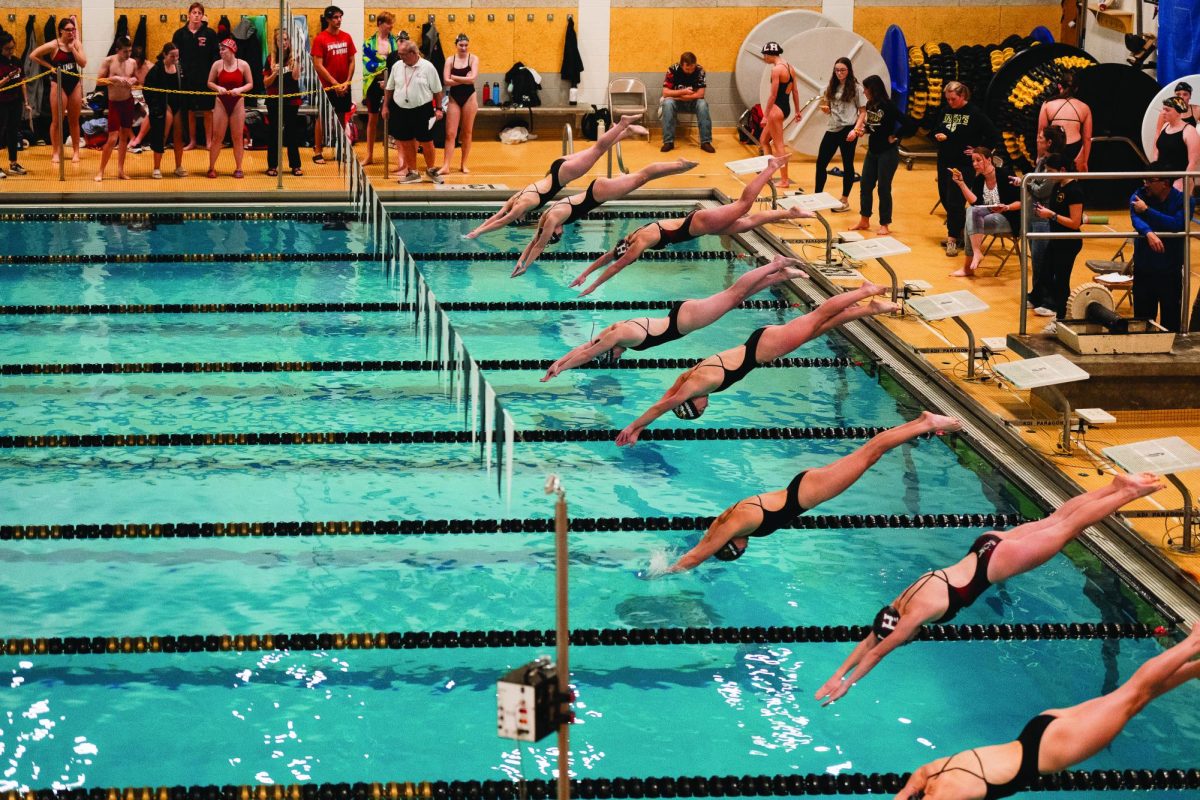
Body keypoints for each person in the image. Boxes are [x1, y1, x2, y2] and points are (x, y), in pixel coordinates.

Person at [816, 472, 1164, 707]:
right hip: (984, 545)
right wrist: (836, 673)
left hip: (997, 563)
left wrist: (847, 685)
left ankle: (1128, 493)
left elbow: (877, 651)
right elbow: (870, 641)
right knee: (1056, 520)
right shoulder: (900, 602)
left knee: (1068, 527)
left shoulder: (915, 616)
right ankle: (1116, 486)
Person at [892, 620, 1200, 800]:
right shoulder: (928, 773)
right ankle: (1196, 667)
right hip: (1038, 730)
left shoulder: (947, 796)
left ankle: (1194, 642)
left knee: (1134, 693)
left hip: (1054, 750)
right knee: (1133, 698)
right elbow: (903, 794)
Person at [660, 413, 962, 570]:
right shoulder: (724, 522)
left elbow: (698, 556)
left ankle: (927, 424)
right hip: (802, 487)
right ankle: (921, 422)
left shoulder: (739, 524)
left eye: (741, 550)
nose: (746, 547)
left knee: (871, 453)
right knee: (869, 452)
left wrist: (667, 571)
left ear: (734, 546)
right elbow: (706, 541)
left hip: (808, 493)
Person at [614, 281, 899, 446]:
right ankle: (867, 309)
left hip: (764, 349)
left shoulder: (698, 384)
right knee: (818, 328)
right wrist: (640, 428)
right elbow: (668, 399)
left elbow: (663, 405)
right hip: (759, 345)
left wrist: (634, 426)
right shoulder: (689, 379)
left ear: (691, 403)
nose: (705, 408)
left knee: (816, 318)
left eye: (699, 411)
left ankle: (864, 292)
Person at [571, 156, 813, 296]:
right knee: (744, 224)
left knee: (743, 205)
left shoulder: (639, 244)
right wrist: (584, 274)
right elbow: (608, 257)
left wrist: (593, 286)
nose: (628, 257)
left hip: (698, 223)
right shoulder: (631, 237)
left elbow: (616, 266)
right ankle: (789, 211)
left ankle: (770, 168)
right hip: (698, 224)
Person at [542, 256, 809, 381]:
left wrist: (564, 368)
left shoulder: (621, 336)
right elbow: (586, 348)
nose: (619, 358)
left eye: (612, 356)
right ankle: (781, 276)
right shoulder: (613, 332)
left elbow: (589, 353)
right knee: (734, 299)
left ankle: (775, 264)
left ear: (610, 350)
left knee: (733, 293)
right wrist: (558, 363)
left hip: (686, 321)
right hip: (681, 317)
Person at [465, 115, 649, 237]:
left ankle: (623, 125)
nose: (520, 218)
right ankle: (624, 132)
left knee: (598, 149)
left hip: (564, 175)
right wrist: (478, 229)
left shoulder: (523, 205)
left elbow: (503, 220)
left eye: (519, 218)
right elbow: (498, 214)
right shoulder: (515, 198)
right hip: (555, 167)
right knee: (593, 150)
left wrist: (478, 234)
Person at [512, 157, 700, 276]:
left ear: (553, 232)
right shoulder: (547, 217)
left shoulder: (552, 220)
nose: (562, 231)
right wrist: (520, 261)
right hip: (598, 191)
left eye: (559, 234)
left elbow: (539, 245)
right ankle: (673, 167)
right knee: (639, 178)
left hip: (599, 193)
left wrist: (526, 266)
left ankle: (678, 164)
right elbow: (534, 241)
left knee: (643, 177)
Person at [932, 81, 999, 257]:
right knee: (945, 198)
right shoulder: (945, 111)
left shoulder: (975, 113)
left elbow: (993, 135)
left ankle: (952, 239)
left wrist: (978, 151)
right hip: (945, 160)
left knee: (955, 200)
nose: (950, 102)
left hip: (963, 164)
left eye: (953, 99)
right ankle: (961, 232)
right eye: (947, 99)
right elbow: (936, 128)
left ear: (963, 96)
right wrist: (937, 135)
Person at [1028, 153, 1084, 329]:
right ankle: (1052, 308)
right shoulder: (1057, 186)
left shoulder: (1074, 190)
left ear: (1062, 170)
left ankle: (1061, 319)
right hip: (1056, 239)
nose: (1048, 175)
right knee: (1044, 273)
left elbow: (1075, 223)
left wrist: (1050, 214)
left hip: (1068, 242)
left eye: (1051, 171)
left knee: (1061, 280)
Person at [1130, 162, 1187, 332]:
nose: (1145, 184)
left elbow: (1177, 224)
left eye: (1150, 180)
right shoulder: (1139, 195)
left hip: (1169, 271)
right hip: (1143, 269)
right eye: (1144, 179)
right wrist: (1148, 232)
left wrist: (1148, 211)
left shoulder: (1183, 200)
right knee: (1142, 323)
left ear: (1165, 183)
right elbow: (1135, 218)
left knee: (1171, 321)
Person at [948, 146, 1021, 277]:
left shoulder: (1004, 174)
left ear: (989, 160)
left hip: (1009, 218)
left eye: (978, 160)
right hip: (988, 216)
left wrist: (1007, 207)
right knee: (971, 212)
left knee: (970, 220)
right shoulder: (980, 179)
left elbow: (1021, 202)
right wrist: (961, 183)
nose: (975, 164)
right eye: (973, 161)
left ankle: (968, 267)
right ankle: (976, 252)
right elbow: (975, 203)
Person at [1014, 125, 1068, 299]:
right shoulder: (1041, 161)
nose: (1037, 139)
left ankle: (1047, 298)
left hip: (1042, 219)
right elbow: (1036, 184)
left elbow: (1042, 190)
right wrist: (1029, 182)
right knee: (1036, 261)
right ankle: (1037, 294)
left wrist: (1026, 182)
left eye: (1040, 137)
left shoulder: (1055, 163)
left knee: (1042, 260)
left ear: (1049, 142)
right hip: (1031, 215)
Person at [382, 39, 443, 184]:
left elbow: (438, 91)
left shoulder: (428, 67)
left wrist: (439, 109)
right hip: (401, 109)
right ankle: (413, 172)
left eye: (403, 54)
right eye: (399, 54)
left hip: (423, 109)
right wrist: (385, 106)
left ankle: (430, 170)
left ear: (413, 53)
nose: (400, 57)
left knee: (427, 141)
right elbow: (389, 88)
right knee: (406, 141)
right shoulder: (397, 66)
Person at [851, 75, 906, 235]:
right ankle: (864, 219)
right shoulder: (870, 105)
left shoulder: (888, 106)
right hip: (872, 151)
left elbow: (908, 123)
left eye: (866, 88)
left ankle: (884, 224)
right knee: (865, 185)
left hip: (887, 153)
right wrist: (865, 130)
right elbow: (873, 125)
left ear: (873, 89)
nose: (864, 91)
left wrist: (896, 136)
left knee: (883, 188)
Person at [30, 16, 86, 164]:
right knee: (57, 120)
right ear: (61, 31)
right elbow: (33, 55)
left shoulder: (77, 44)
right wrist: (50, 67)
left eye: (73, 30)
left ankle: (75, 152)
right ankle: (55, 151)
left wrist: (73, 48)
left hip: (74, 84)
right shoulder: (54, 45)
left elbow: (83, 63)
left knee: (74, 120)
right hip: (58, 84)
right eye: (68, 30)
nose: (71, 33)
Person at [814, 57, 866, 211]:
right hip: (832, 128)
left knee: (847, 164)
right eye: (837, 70)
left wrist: (855, 130)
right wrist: (826, 110)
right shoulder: (831, 87)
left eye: (842, 70)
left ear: (849, 71)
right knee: (821, 163)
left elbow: (863, 112)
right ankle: (817, 196)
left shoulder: (856, 88)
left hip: (848, 129)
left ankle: (844, 200)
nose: (839, 73)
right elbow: (830, 107)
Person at [311, 5, 356, 165]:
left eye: (340, 17)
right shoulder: (320, 39)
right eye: (335, 17)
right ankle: (317, 151)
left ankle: (341, 148)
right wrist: (335, 83)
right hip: (327, 87)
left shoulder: (347, 37)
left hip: (344, 85)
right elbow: (318, 65)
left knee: (342, 117)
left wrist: (347, 81)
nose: (339, 20)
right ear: (328, 19)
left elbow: (352, 60)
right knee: (321, 118)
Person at [172, 2, 219, 151]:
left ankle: (209, 142)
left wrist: (214, 76)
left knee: (207, 111)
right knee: (190, 111)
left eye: (199, 13)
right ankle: (192, 141)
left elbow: (215, 57)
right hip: (187, 79)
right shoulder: (180, 34)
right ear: (189, 15)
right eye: (194, 12)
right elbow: (174, 57)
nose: (197, 15)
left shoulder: (210, 34)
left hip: (206, 79)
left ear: (203, 15)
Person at [93, 36, 140, 182]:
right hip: (114, 103)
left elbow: (137, 79)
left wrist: (133, 80)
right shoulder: (109, 61)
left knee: (124, 137)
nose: (128, 54)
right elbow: (98, 81)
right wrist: (113, 79)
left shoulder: (132, 62)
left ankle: (121, 170)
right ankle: (101, 171)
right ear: (117, 50)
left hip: (128, 102)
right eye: (125, 52)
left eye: (130, 51)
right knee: (112, 138)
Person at [205, 38, 253, 178]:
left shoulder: (243, 65)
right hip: (221, 102)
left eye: (223, 49)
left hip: (237, 101)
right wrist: (218, 87)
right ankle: (211, 167)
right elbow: (209, 82)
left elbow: (250, 84)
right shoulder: (217, 65)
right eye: (220, 49)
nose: (221, 52)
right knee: (217, 137)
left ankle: (239, 168)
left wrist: (240, 89)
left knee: (237, 137)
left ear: (232, 50)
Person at [436, 34, 479, 175]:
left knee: (466, 132)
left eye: (466, 45)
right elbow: (446, 81)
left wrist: (454, 77)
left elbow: (472, 79)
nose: (464, 48)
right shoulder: (450, 60)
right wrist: (462, 79)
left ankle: (463, 164)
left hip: (470, 98)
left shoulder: (473, 58)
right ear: (456, 45)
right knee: (450, 133)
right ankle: (446, 165)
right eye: (461, 45)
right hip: (454, 98)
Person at [142, 42, 186, 178]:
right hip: (163, 105)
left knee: (179, 136)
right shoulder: (156, 69)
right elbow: (147, 90)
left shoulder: (179, 68)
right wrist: (155, 107)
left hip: (177, 103)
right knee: (161, 135)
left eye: (177, 56)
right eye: (172, 56)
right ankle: (156, 168)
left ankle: (178, 166)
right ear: (164, 55)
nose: (175, 59)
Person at [263, 28, 303, 177]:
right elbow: (266, 83)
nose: (284, 42)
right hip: (274, 100)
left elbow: (296, 77)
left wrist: (297, 62)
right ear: (276, 42)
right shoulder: (270, 59)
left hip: (291, 100)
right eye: (280, 40)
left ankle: (295, 165)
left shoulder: (293, 58)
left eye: (286, 39)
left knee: (292, 133)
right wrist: (275, 73)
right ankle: (272, 165)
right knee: (274, 133)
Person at [760, 42, 800, 188]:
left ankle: (784, 180)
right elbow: (795, 91)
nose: (764, 58)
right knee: (763, 140)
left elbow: (773, 95)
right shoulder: (790, 67)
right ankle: (768, 174)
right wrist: (797, 111)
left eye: (764, 55)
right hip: (786, 107)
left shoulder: (776, 70)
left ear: (770, 55)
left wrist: (765, 115)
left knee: (779, 146)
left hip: (776, 110)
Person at [361, 12, 397, 167]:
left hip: (392, 84)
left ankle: (400, 158)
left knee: (396, 119)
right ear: (380, 23)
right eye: (389, 23)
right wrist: (384, 65)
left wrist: (387, 77)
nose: (391, 26)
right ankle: (369, 155)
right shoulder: (369, 42)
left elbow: (398, 62)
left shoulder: (395, 42)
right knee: (372, 119)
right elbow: (368, 64)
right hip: (374, 84)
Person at [660, 51, 714, 154]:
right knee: (667, 104)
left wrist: (681, 96)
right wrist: (683, 92)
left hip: (692, 102)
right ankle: (668, 142)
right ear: (681, 65)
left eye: (692, 68)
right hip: (677, 102)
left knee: (703, 104)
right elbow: (665, 93)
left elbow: (701, 94)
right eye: (687, 69)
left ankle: (705, 142)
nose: (690, 71)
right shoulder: (672, 70)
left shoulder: (700, 71)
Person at [1036, 73, 1092, 171]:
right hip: (1075, 148)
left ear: (1059, 86)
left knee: (1052, 183)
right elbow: (1087, 138)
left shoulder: (1047, 104)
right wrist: (1084, 162)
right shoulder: (1085, 107)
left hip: (1054, 147)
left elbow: (1041, 134)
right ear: (1076, 89)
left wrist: (1040, 157)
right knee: (1070, 182)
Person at [1150, 96, 1200, 191]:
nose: (1163, 113)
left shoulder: (1189, 131)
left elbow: (1193, 161)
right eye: (1163, 109)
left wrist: (1184, 181)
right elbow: (1158, 151)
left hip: (1180, 180)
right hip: (1163, 180)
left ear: (1178, 112)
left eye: (1167, 110)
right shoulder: (1165, 126)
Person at [0, 31, 31, 177]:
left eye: (12, 48)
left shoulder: (17, 61)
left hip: (15, 101)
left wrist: (26, 102)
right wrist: (7, 78)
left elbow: (22, 82)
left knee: (13, 132)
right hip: (2, 102)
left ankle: (13, 163)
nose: (10, 51)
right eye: (7, 48)